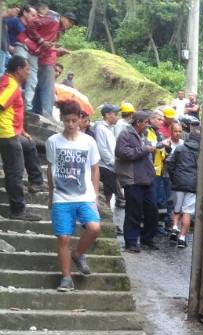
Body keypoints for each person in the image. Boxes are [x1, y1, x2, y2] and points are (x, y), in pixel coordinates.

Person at [45, 100, 101, 292]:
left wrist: (95, 194)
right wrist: (50, 194)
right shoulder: (53, 141)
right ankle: (66, 278)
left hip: (85, 195)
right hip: (61, 197)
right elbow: (50, 168)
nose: (70, 124)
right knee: (63, 238)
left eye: (74, 120)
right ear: (61, 119)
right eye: (67, 120)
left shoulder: (89, 142)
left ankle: (77, 254)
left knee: (94, 227)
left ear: (80, 119)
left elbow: (95, 169)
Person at [0, 55, 39, 221]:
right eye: (27, 69)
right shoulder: (11, 86)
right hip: (6, 134)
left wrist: (21, 130)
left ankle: (36, 182)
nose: (29, 72)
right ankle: (17, 210)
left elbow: (11, 111)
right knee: (15, 172)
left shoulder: (6, 81)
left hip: (12, 132)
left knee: (29, 144)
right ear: (18, 70)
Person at [115, 110, 157, 253]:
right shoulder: (125, 134)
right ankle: (131, 242)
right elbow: (122, 152)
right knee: (134, 211)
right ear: (138, 122)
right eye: (146, 122)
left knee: (152, 210)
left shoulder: (144, 135)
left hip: (147, 178)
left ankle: (147, 238)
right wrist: (144, 149)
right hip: (133, 179)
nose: (148, 125)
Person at [24, 9, 75, 117]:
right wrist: (41, 41)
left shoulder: (58, 30)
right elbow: (32, 25)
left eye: (72, 24)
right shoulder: (53, 20)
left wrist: (58, 51)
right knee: (46, 86)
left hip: (41, 57)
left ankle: (37, 111)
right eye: (69, 21)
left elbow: (47, 46)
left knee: (39, 86)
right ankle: (46, 113)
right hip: (38, 56)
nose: (70, 25)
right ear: (63, 17)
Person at [94, 104, 124, 234]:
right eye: (115, 114)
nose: (117, 117)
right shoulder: (101, 128)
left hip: (111, 166)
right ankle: (104, 222)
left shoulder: (110, 128)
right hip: (105, 166)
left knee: (110, 195)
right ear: (107, 115)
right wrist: (112, 162)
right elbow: (102, 149)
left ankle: (107, 221)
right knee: (106, 195)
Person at [167, 127, 198, 248]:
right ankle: (182, 238)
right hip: (193, 184)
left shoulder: (180, 148)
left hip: (179, 182)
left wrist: (173, 177)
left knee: (177, 207)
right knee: (187, 211)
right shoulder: (202, 152)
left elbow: (170, 163)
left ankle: (175, 227)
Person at [10, 4, 39, 111]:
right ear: (25, 12)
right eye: (33, 15)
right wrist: (7, 46)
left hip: (21, 53)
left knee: (27, 76)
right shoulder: (14, 21)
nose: (35, 18)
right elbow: (3, 30)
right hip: (10, 52)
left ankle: (26, 105)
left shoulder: (30, 28)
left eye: (36, 16)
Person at [147, 110, 172, 234]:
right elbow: (149, 146)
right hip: (150, 172)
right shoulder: (147, 132)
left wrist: (167, 148)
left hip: (160, 171)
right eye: (159, 119)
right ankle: (150, 227)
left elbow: (163, 152)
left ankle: (158, 226)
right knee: (152, 201)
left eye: (162, 119)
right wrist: (161, 144)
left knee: (161, 201)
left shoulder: (160, 134)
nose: (161, 122)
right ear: (151, 119)